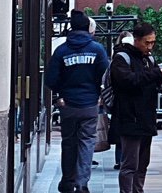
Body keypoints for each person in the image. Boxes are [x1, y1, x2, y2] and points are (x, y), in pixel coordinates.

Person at [44, 10, 111, 193]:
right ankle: (82, 183)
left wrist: (60, 95)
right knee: (87, 143)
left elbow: (50, 79)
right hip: (90, 104)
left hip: (68, 105)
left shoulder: (61, 51)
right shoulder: (97, 49)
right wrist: (99, 95)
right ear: (88, 29)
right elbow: (106, 76)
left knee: (69, 142)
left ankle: (68, 181)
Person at [110, 21, 162, 193]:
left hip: (147, 117)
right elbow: (128, 80)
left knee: (142, 164)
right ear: (136, 40)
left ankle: (138, 190)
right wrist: (155, 73)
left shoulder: (149, 59)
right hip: (129, 118)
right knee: (130, 164)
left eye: (153, 42)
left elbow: (155, 83)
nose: (150, 47)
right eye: (147, 42)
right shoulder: (121, 58)